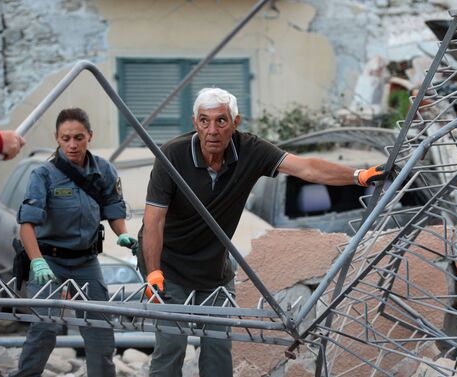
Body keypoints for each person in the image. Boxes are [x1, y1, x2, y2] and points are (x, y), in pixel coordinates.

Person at [139, 88, 386, 377]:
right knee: (171, 344)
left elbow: (305, 168)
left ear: (235, 122)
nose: (212, 130)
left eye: (221, 121)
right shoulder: (172, 155)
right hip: (168, 264)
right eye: (204, 121)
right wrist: (153, 272)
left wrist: (359, 176)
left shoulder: (250, 150)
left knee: (218, 349)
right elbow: (153, 220)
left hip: (212, 267)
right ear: (195, 123)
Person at [12, 108, 137, 377]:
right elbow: (26, 226)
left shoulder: (104, 170)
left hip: (85, 262)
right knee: (44, 329)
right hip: (49, 260)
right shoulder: (43, 175)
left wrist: (122, 234)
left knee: (100, 329)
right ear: (56, 138)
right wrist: (37, 261)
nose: (72, 144)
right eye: (66, 138)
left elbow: (114, 209)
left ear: (89, 136)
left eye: (78, 137)